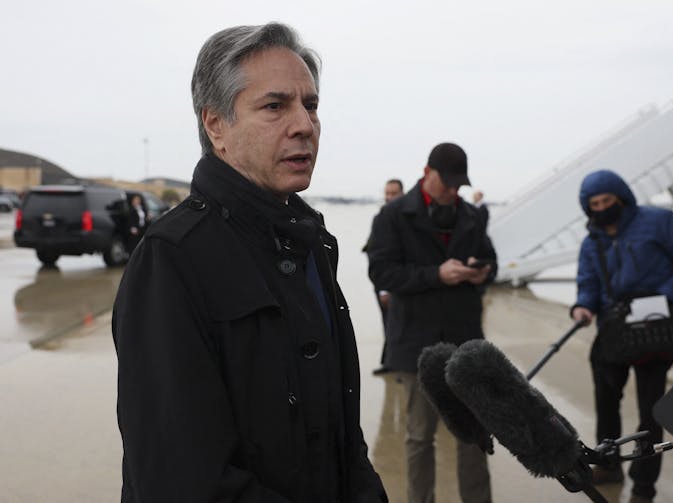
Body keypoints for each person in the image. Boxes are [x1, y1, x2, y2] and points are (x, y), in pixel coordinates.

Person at [112, 23, 386, 503]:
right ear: (216, 125)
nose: (304, 124)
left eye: (312, 105)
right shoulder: (172, 259)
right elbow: (182, 481)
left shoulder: (312, 245)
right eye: (275, 106)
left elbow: (342, 434)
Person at [368, 142, 496, 503]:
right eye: (448, 183)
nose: (453, 191)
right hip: (415, 342)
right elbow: (381, 271)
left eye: (459, 184)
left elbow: (492, 262)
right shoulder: (392, 216)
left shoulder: (471, 215)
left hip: (464, 340)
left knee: (473, 434)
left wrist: (481, 272)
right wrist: (436, 274)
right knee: (419, 436)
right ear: (427, 174)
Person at [570, 169, 673, 503]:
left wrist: (664, 297)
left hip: (654, 331)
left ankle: (644, 489)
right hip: (612, 330)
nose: (602, 208)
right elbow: (588, 283)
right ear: (588, 208)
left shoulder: (658, 222)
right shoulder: (591, 243)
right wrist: (582, 307)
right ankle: (608, 465)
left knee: (651, 413)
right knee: (605, 405)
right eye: (595, 204)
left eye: (607, 200)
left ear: (621, 197)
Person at [365, 178, 404, 375]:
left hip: (404, 283)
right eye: (387, 193)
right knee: (388, 323)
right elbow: (376, 256)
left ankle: (397, 364)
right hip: (385, 285)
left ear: (402, 194)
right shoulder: (380, 218)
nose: (389, 197)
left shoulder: (408, 220)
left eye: (393, 193)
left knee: (401, 326)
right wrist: (383, 289)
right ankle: (391, 363)